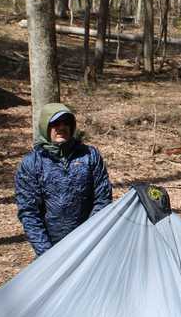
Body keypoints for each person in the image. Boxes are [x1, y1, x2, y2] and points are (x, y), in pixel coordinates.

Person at [15, 103, 112, 257]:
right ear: (45, 127)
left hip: (89, 247)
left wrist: (88, 239)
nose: (61, 127)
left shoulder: (90, 156)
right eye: (55, 123)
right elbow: (29, 212)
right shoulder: (31, 163)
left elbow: (103, 199)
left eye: (66, 122)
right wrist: (47, 255)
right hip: (50, 250)